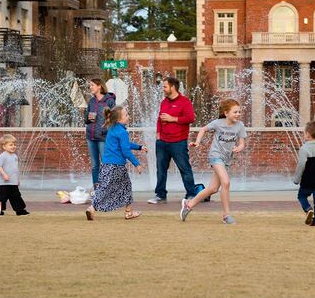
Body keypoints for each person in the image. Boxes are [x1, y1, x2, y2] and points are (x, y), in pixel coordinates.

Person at [180, 99, 246, 225]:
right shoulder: (218, 123)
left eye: (239, 112)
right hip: (215, 156)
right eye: (235, 112)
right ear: (226, 113)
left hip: (226, 159)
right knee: (225, 183)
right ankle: (226, 216)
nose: (238, 114)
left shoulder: (240, 126)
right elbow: (203, 129)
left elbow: (242, 143)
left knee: (213, 188)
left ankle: (189, 204)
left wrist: (238, 148)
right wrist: (198, 142)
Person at [86, 106, 146, 220]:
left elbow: (125, 144)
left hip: (106, 164)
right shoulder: (122, 132)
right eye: (126, 115)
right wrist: (137, 164)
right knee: (125, 187)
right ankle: (94, 208)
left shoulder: (112, 128)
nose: (128, 116)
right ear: (119, 119)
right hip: (117, 166)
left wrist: (139, 147)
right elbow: (126, 151)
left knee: (105, 187)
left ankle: (93, 208)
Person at [148, 76, 197, 204]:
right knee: (161, 169)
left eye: (165, 86)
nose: (163, 89)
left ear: (173, 87)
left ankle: (191, 194)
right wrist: (158, 134)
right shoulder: (164, 102)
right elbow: (160, 119)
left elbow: (190, 118)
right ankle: (160, 195)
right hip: (162, 142)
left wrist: (173, 119)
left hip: (178, 142)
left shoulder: (185, 102)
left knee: (184, 168)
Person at [84, 78, 115, 190]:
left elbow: (113, 119)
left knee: (106, 163)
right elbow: (86, 118)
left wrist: (105, 130)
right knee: (94, 165)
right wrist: (88, 118)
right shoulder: (91, 101)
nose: (90, 87)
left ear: (99, 86)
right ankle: (97, 190)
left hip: (103, 136)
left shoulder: (109, 101)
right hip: (91, 137)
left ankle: (107, 188)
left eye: (92, 85)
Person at [0, 134, 29, 216]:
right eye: (11, 145)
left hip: (13, 182)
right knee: (2, 197)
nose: (13, 146)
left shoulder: (15, 156)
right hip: (4, 183)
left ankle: (20, 210)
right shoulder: (2, 156)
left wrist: (18, 179)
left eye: (14, 145)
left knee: (16, 196)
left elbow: (15, 169)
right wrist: (4, 175)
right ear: (4, 146)